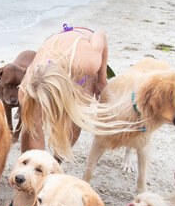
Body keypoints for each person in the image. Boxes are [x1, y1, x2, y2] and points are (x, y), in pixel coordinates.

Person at [19, 24, 125, 161]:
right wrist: (35, 165)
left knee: (75, 120)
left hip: (81, 45)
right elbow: (36, 138)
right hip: (54, 50)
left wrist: (102, 79)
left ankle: (58, 160)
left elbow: (100, 35)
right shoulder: (26, 91)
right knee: (31, 125)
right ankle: (25, 163)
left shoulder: (89, 63)